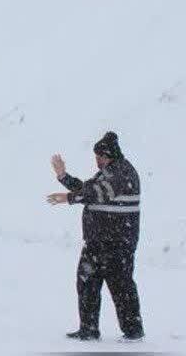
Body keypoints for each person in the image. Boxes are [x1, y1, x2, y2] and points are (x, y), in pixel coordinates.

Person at [48, 131, 144, 341]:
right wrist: (64, 177)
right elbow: (88, 188)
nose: (96, 161)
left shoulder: (122, 173)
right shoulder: (107, 172)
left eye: (99, 157)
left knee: (121, 287)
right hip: (97, 242)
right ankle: (88, 329)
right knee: (87, 283)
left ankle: (134, 332)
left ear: (109, 155)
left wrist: (68, 198)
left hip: (118, 243)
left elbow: (97, 192)